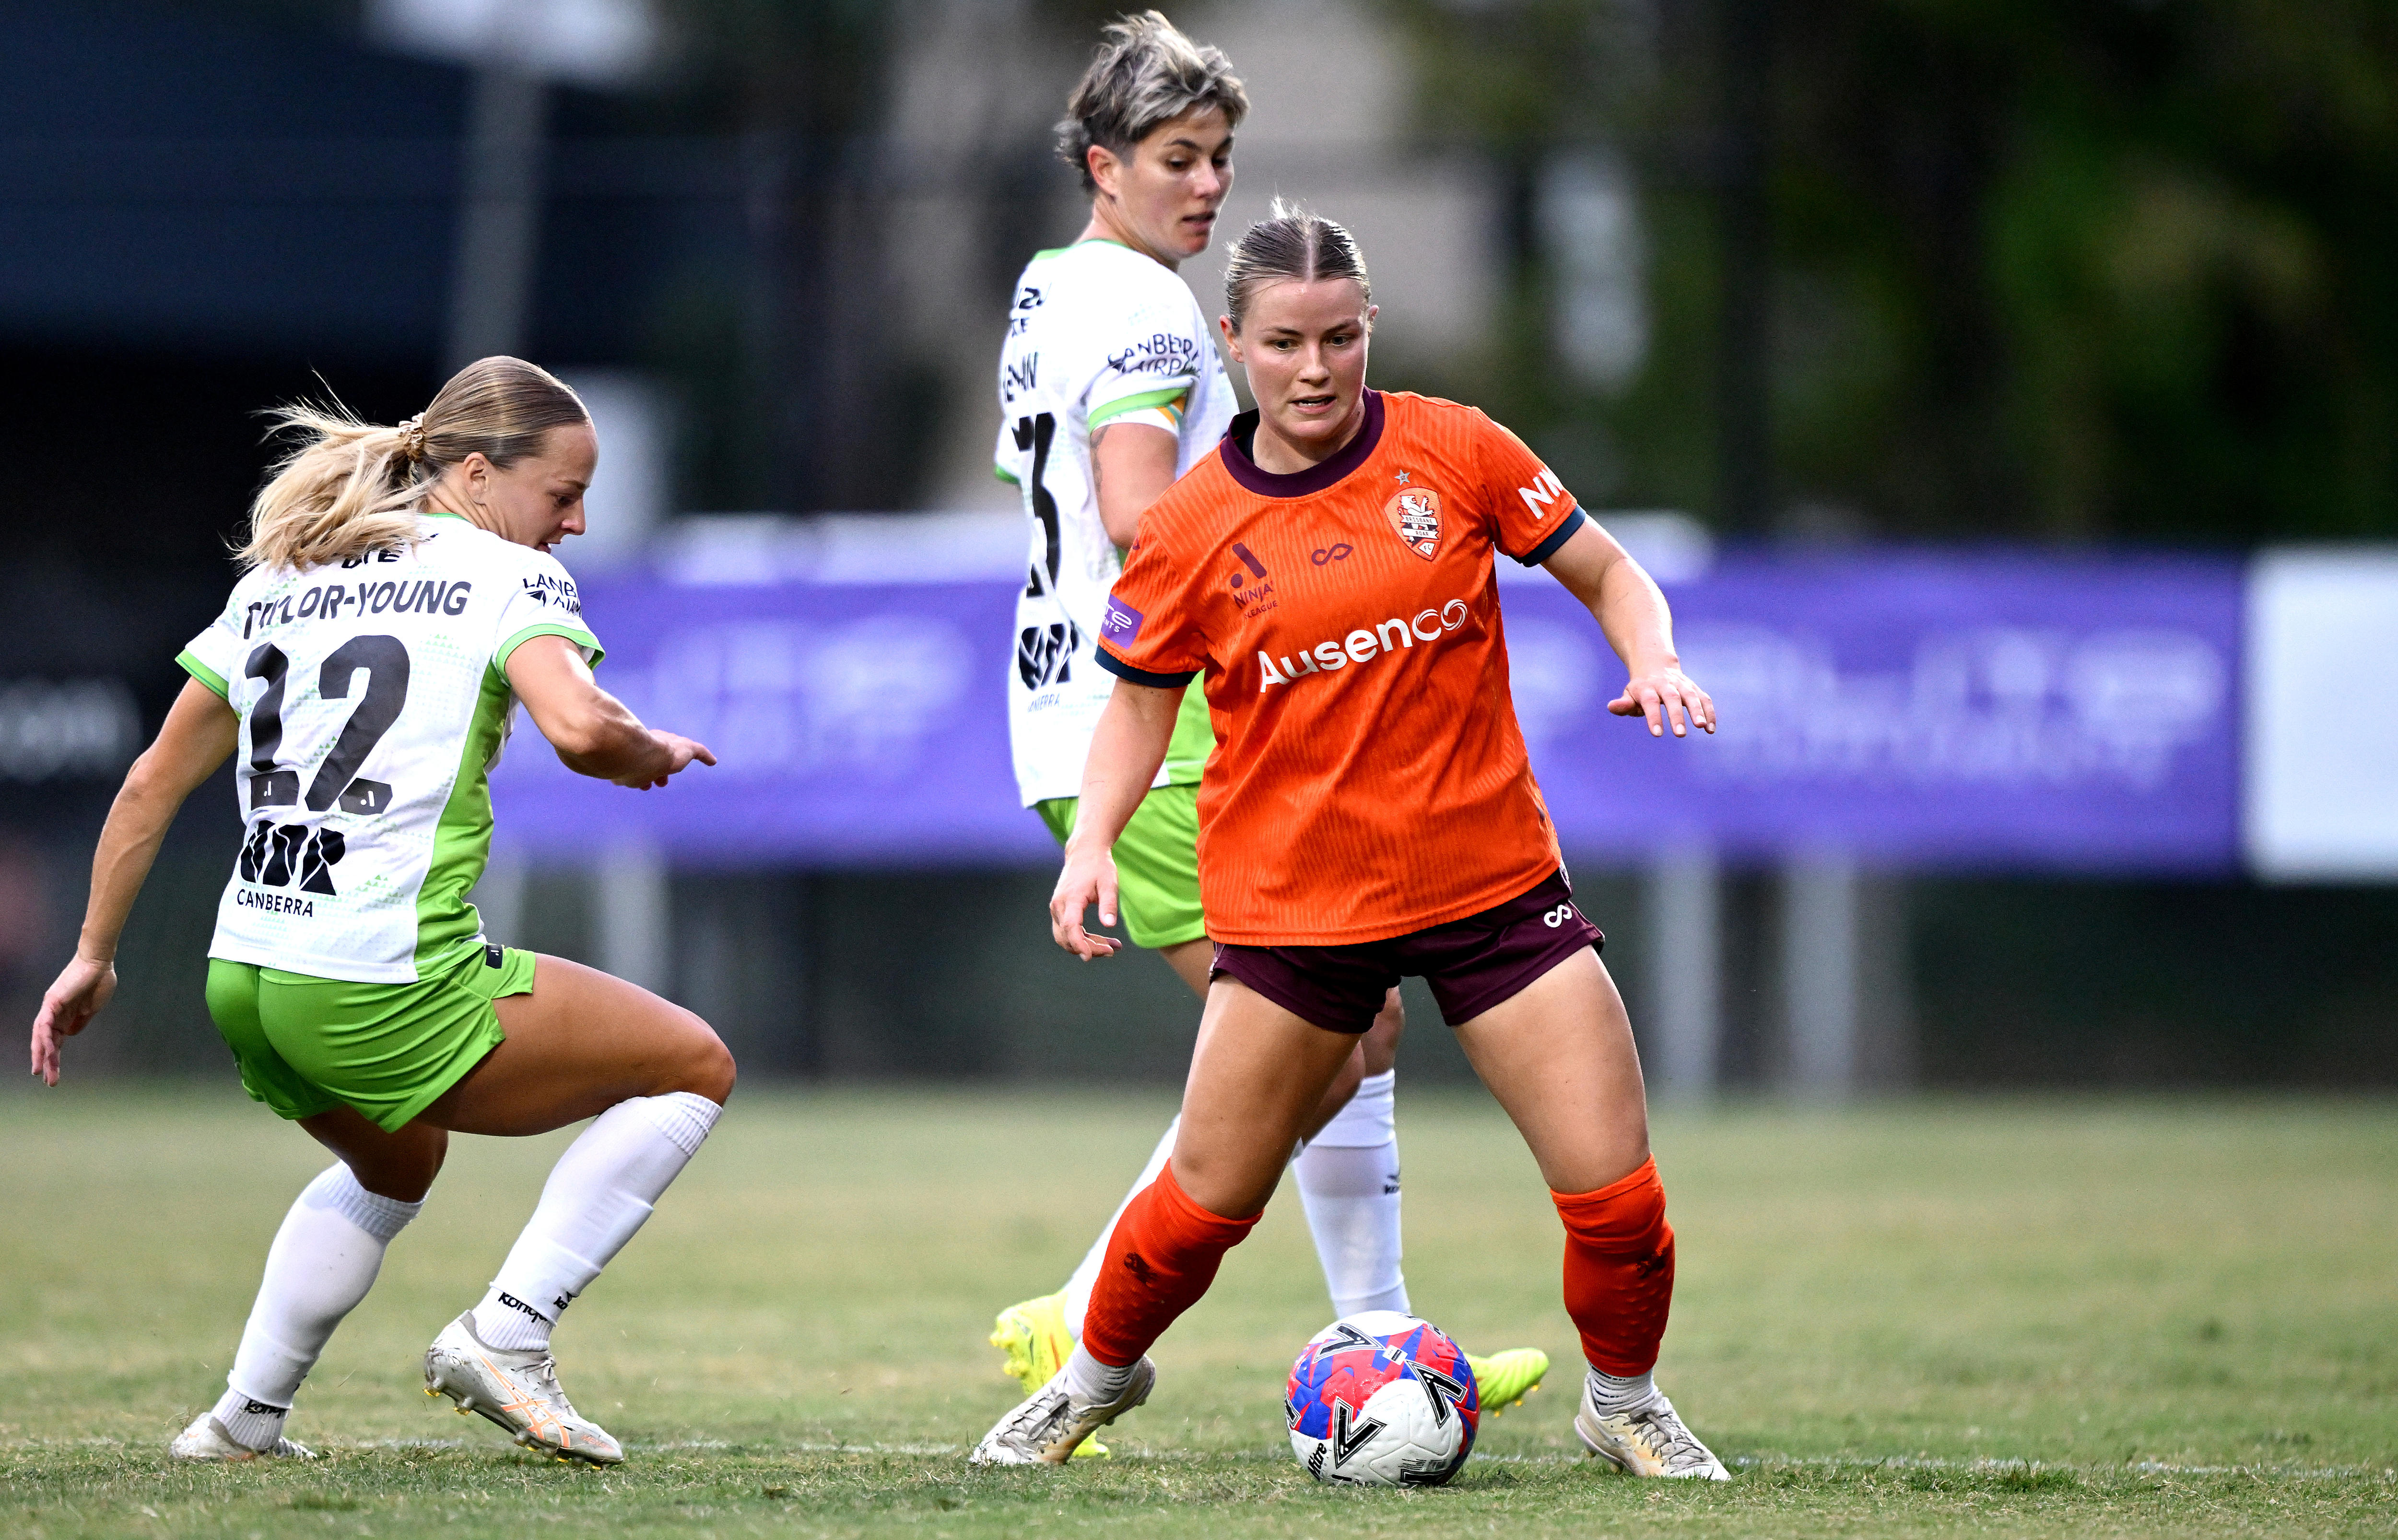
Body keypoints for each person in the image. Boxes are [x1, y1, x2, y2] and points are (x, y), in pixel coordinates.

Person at [970, 205, 1730, 1481]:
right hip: (1294, 913)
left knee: (1622, 1201)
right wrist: (1090, 841)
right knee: (1196, 1214)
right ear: (1233, 346)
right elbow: (1138, 712)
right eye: (1283, 343)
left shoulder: (1457, 448)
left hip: (1492, 886)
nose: (1315, 367)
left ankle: (1626, 1400)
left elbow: (1607, 571)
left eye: (1340, 336)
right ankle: (1090, 1382)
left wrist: (1652, 652)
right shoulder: (1189, 524)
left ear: (1368, 327)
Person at [986, 11, 1546, 1444]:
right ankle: (1135, 1313)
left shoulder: (1054, 284)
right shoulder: (1155, 311)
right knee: (1317, 1030)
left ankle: (1373, 1329)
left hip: (1066, 699)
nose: (1209, 186)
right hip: (1157, 724)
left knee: (1337, 1024)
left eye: (1222, 156)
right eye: (1179, 158)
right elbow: (1132, 516)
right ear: (1102, 163)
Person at [27, 357, 733, 1467]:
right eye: (561, 494)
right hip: (376, 975)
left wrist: (93, 955)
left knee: (397, 1161)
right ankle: (511, 1331)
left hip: (250, 976)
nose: (578, 521)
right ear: (473, 471)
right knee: (692, 1065)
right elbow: (584, 733)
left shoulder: (287, 575)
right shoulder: (504, 574)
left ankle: (242, 1420)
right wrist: (649, 749)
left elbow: (151, 781)